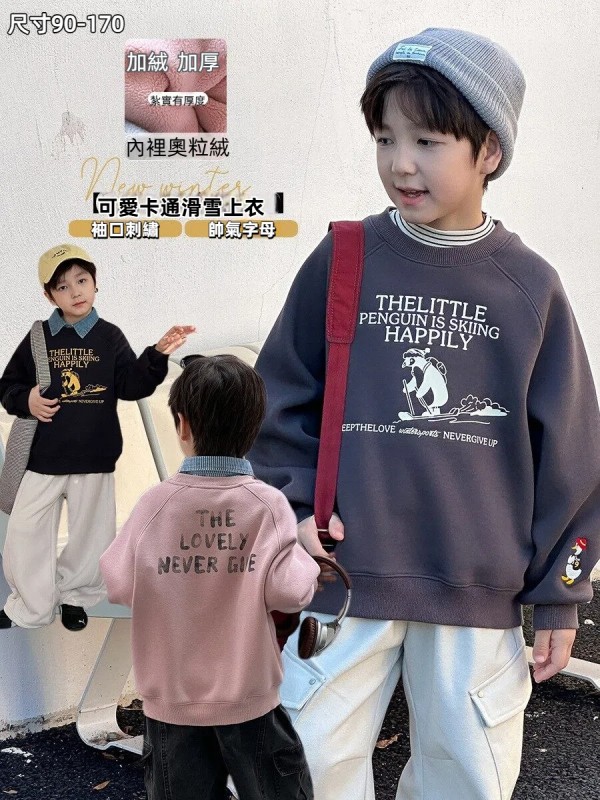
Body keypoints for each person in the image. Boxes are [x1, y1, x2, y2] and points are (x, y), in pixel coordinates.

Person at [248, 28, 600, 800]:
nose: (401, 163)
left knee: (466, 778)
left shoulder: (529, 287)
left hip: (478, 588)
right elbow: (277, 404)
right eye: (386, 138)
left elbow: (574, 460)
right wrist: (294, 512)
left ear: (489, 151)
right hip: (343, 579)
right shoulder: (344, 259)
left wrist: (561, 593)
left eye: (428, 141)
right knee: (304, 767)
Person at [100, 355, 319, 800]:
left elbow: (118, 583)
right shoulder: (268, 505)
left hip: (171, 705)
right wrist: (310, 556)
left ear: (182, 425)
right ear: (254, 428)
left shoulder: (155, 504)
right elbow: (291, 592)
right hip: (249, 700)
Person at [0, 242, 194, 631]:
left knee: (91, 535)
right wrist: (28, 399)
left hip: (94, 457)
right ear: (49, 295)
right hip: (43, 457)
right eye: (63, 286)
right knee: (25, 531)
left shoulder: (109, 337)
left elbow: (132, 385)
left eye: (82, 280)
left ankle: (76, 597)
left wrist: (156, 354)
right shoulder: (39, 338)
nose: (75, 291)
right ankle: (31, 607)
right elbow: (8, 387)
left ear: (95, 282)